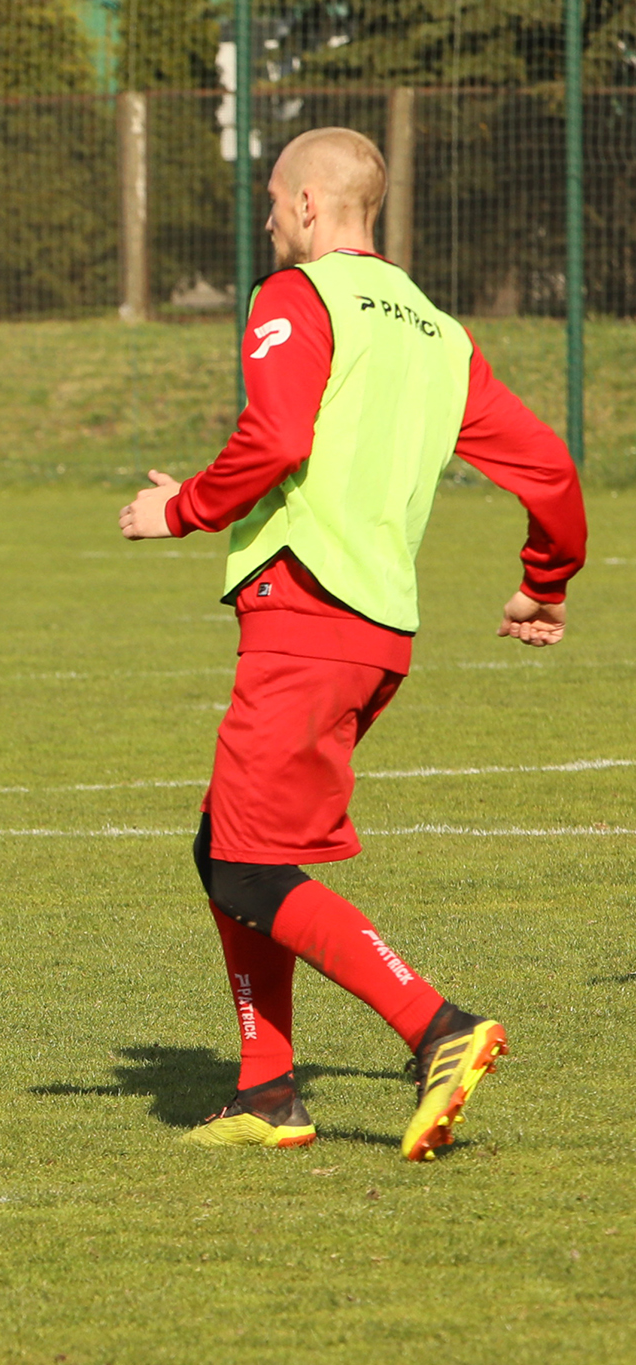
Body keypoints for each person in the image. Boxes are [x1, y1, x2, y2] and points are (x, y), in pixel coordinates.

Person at [118, 128, 586, 1161]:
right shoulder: (438, 331)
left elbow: (276, 437)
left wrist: (180, 510)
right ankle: (266, 1090)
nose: (266, 222)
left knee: (244, 869)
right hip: (377, 633)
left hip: (305, 615)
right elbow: (549, 470)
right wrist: (542, 582)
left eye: (271, 202)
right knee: (229, 846)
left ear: (304, 205)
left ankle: (437, 1025)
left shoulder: (296, 295)